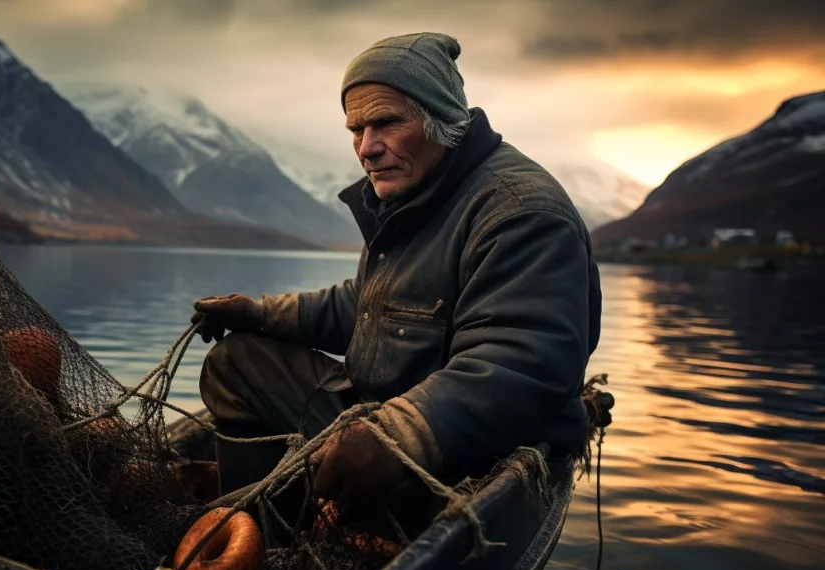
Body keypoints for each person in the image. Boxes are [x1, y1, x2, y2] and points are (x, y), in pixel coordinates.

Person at [191, 32, 602, 513]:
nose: (366, 148)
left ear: (442, 118)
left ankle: (296, 532)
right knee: (234, 363)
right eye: (355, 130)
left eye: (385, 123)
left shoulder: (520, 214)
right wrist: (258, 313)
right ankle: (257, 538)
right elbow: (367, 304)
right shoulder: (417, 190)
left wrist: (396, 436)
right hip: (380, 415)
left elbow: (521, 363)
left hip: (469, 453)